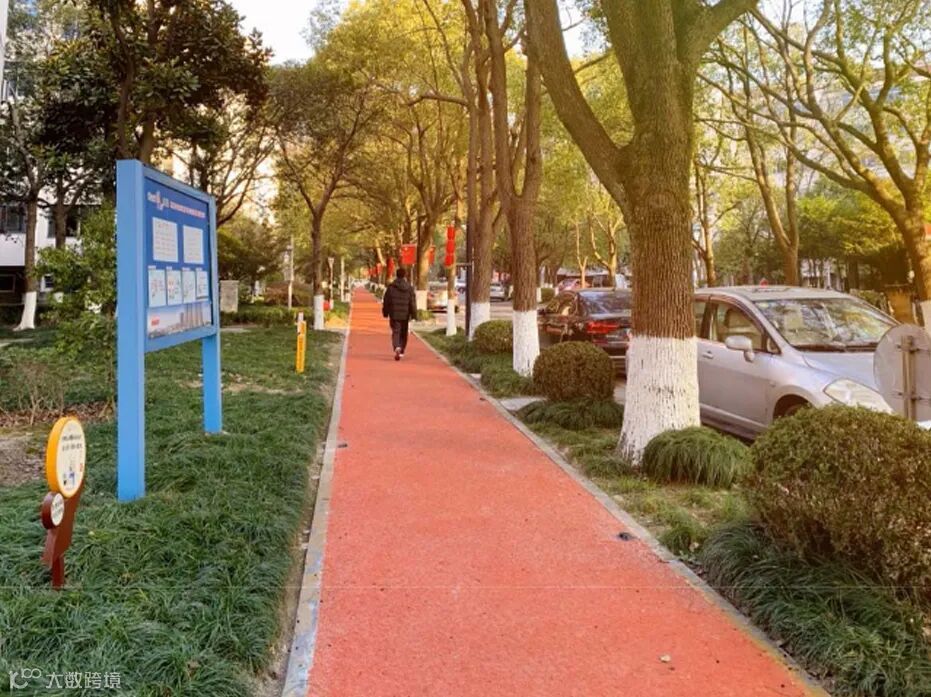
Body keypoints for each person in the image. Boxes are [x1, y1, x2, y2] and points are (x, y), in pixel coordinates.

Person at [382, 268, 417, 360]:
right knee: (404, 332)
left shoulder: (391, 287)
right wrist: (414, 314)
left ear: (396, 275)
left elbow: (386, 301)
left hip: (394, 314)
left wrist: (385, 312)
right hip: (405, 314)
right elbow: (412, 302)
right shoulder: (409, 288)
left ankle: (396, 346)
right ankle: (401, 349)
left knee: (396, 331)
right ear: (404, 275)